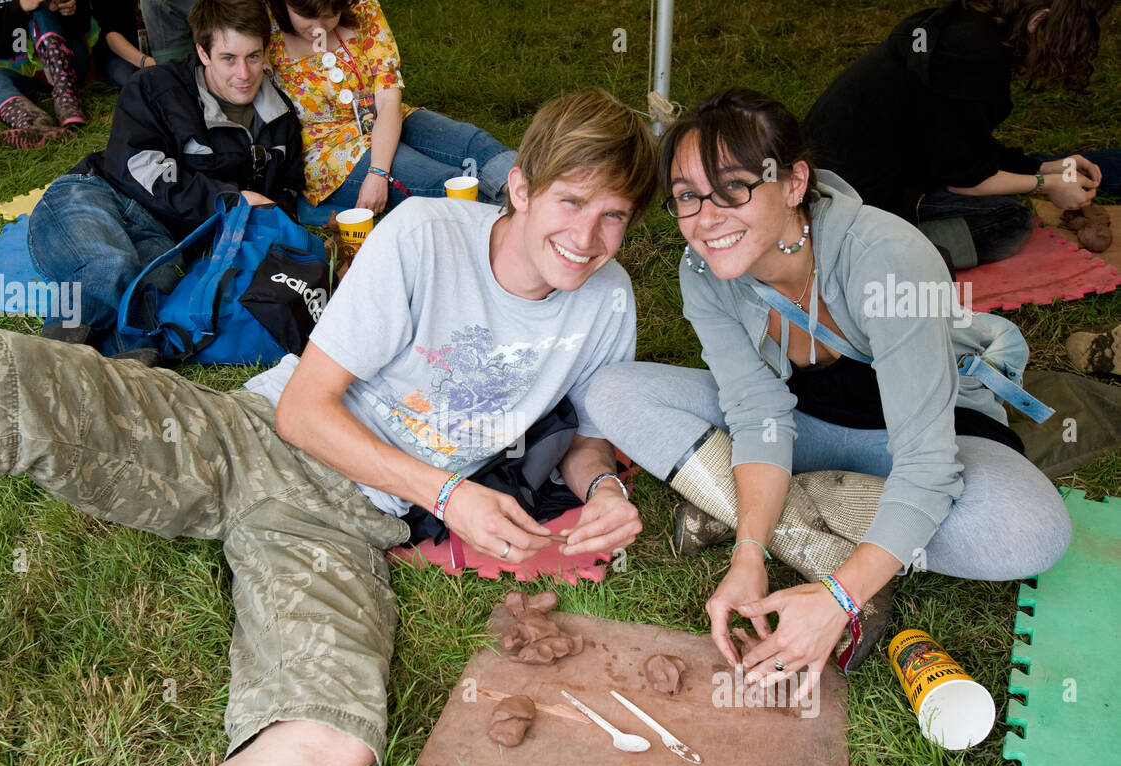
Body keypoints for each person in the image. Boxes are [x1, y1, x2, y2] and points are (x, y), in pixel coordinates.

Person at [0, 87, 658, 766]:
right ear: (521, 187)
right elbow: (302, 411)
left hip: (346, 526)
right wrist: (445, 493)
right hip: (252, 437)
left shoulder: (607, 301)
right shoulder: (425, 236)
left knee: (330, 737)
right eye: (571, 202)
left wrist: (606, 491)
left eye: (613, 217)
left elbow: (587, 437)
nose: (587, 239)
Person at [587, 88, 1070, 695]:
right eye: (688, 197)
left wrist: (839, 595)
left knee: (1031, 531)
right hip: (803, 431)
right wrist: (749, 555)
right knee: (612, 391)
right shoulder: (704, 270)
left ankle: (752, 505)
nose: (706, 220)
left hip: (926, 438)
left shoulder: (887, 257)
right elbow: (760, 414)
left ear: (793, 184)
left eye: (734, 187)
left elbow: (926, 462)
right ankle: (804, 521)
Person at [26, 0, 304, 354]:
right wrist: (229, 200)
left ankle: (128, 370)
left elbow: (285, 193)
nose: (244, 74)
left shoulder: (280, 119)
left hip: (167, 235)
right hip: (95, 193)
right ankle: (48, 362)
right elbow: (141, 168)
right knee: (110, 265)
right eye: (228, 58)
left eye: (253, 56)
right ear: (203, 53)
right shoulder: (155, 86)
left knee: (155, 295)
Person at [803, 0, 1117, 268]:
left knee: (1003, 190)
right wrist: (1045, 185)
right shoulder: (975, 55)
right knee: (1009, 223)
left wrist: (1045, 167)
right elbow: (967, 176)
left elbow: (962, 143)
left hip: (849, 171)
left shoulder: (970, 32)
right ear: (1039, 21)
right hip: (849, 194)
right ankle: (867, 251)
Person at [265, 0, 517, 214]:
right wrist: (378, 175)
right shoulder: (266, 30)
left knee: (473, 143)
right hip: (329, 152)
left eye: (331, 14)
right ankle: (519, 219)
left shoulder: (364, 8)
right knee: (440, 181)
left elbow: (388, 99)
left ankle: (536, 191)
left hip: (387, 117)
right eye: (307, 16)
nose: (319, 27)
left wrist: (378, 171)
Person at [0, 0, 94, 147]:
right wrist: (20, 7)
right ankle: (35, 124)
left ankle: (67, 100)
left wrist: (69, 10)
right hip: (16, 68)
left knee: (40, 9)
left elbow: (82, 25)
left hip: (66, 63)